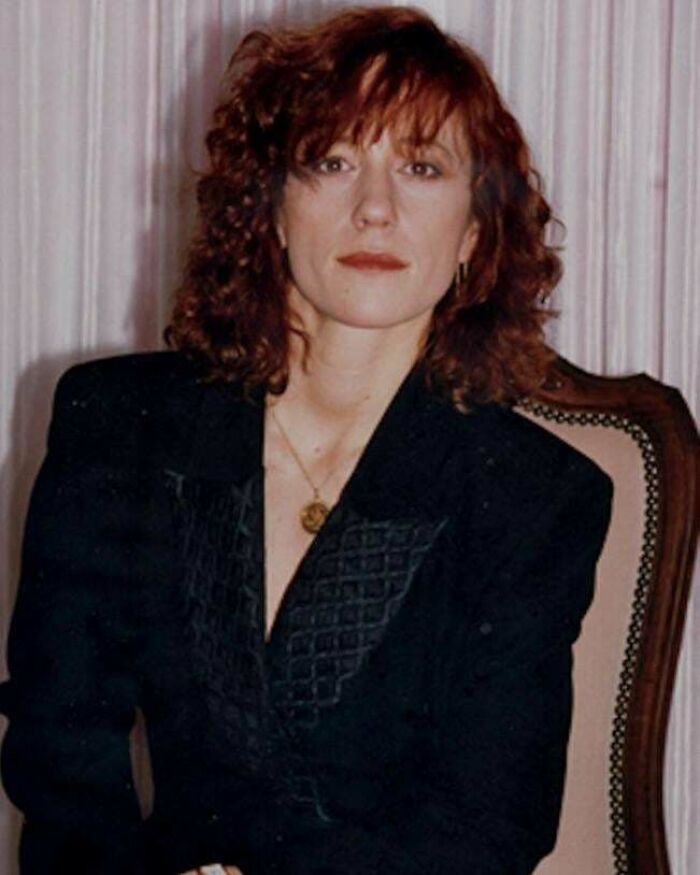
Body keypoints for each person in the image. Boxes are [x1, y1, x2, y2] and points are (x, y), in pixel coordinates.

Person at [0, 5, 614, 875]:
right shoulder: (119, 422)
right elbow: (60, 758)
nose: (375, 209)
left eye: (422, 167)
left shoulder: (535, 494)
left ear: (475, 232)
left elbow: (487, 823)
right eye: (332, 161)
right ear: (273, 209)